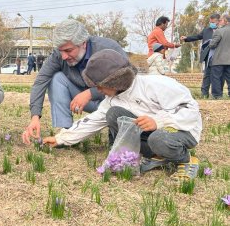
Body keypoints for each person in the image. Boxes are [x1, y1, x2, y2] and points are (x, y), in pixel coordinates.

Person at [43, 49, 202, 181]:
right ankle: (159, 155)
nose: (97, 90)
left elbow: (190, 110)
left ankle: (186, 160)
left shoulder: (155, 84)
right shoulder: (112, 99)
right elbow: (91, 121)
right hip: (155, 133)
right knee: (114, 114)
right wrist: (60, 138)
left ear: (116, 82)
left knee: (158, 139)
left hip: (182, 130)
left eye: (100, 86)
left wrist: (158, 121)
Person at [22, 19, 127, 144]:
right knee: (56, 78)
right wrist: (35, 117)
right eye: (61, 51)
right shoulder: (59, 55)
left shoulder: (107, 48)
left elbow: (127, 79)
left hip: (110, 100)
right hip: (79, 99)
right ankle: (66, 132)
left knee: (120, 97)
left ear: (83, 43)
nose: (63, 56)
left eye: (68, 50)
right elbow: (41, 81)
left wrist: (91, 93)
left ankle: (117, 133)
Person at [180, 13, 221, 98]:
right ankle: (204, 94)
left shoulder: (222, 30)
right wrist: (186, 38)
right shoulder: (206, 30)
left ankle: (216, 95)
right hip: (208, 56)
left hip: (219, 56)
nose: (211, 23)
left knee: (217, 76)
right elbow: (198, 36)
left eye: (213, 22)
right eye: (210, 21)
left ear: (218, 21)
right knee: (207, 75)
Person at [208, 14, 230, 99]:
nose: (219, 22)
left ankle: (217, 96)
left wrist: (209, 44)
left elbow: (212, 45)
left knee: (216, 78)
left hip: (219, 59)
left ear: (226, 21)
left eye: (221, 20)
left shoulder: (219, 31)